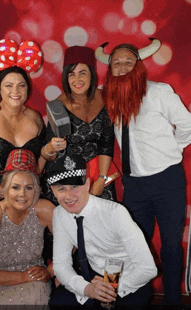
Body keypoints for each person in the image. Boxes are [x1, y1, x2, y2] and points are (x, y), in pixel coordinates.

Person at [95, 38, 191, 305]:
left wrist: (173, 149)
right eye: (116, 63)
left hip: (167, 180)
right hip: (134, 185)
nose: (123, 67)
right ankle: (132, 299)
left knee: (170, 246)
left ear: (138, 65)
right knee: (129, 245)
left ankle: (172, 300)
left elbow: (188, 125)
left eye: (128, 61)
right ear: (110, 69)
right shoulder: (107, 96)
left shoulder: (159, 92)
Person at [0, 39, 66, 248]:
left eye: (21, 85)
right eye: (9, 85)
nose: (16, 90)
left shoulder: (34, 118)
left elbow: (41, 156)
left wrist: (39, 173)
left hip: (25, 201)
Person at [46, 153, 157, 309]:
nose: (69, 196)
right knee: (57, 303)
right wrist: (87, 289)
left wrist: (110, 286)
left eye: (75, 187)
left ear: (87, 184)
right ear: (53, 191)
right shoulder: (59, 214)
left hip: (129, 279)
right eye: (61, 189)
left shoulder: (115, 213)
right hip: (94, 276)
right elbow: (61, 265)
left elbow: (147, 269)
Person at [0, 149, 55, 308]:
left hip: (34, 281)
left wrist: (50, 271)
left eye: (29, 188)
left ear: (36, 189)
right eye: (15, 187)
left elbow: (70, 243)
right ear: (4, 188)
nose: (22, 194)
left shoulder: (45, 209)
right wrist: (24, 277)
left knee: (37, 295)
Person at [43, 45, 117, 205]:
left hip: (98, 175)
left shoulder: (105, 99)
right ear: (66, 78)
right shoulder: (58, 106)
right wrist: (51, 148)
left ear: (92, 74)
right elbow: (47, 154)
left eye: (83, 73)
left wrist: (101, 179)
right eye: (72, 75)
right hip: (66, 179)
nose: (77, 80)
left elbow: (106, 143)